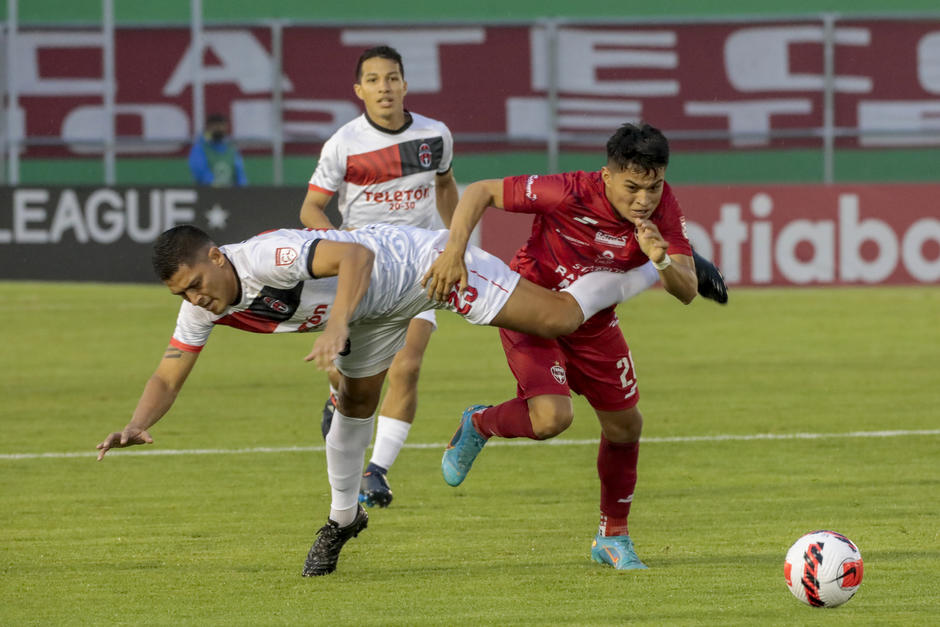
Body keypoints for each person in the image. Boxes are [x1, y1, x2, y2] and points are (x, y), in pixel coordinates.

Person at [94, 221, 656, 576]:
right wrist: (135, 422)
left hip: (420, 268)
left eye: (195, 283)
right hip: (369, 316)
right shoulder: (200, 307)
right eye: (182, 294)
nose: (196, 299)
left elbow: (354, 261)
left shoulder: (269, 257)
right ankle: (341, 521)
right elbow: (168, 375)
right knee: (355, 407)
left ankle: (646, 268)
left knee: (558, 314)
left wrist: (335, 326)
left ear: (216, 257)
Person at [423, 122, 726, 571]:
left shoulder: (663, 210)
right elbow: (480, 192)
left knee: (626, 428)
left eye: (654, 186)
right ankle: (481, 423)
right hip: (531, 307)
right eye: (633, 188)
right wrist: (454, 251)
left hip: (594, 322)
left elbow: (685, 289)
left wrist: (660, 257)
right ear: (607, 176)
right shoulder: (569, 191)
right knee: (551, 419)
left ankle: (612, 538)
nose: (644, 200)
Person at [298, 45, 459, 508]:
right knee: (360, 378)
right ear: (359, 91)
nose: (384, 88)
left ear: (405, 84)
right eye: (373, 80)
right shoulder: (343, 143)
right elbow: (311, 207)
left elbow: (447, 187)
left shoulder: (435, 135)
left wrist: (455, 243)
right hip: (365, 273)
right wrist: (341, 247)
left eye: (392, 78)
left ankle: (376, 470)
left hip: (421, 267)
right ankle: (338, 395)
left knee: (407, 366)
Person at [188, 113, 248, 187]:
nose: (219, 129)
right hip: (206, 193)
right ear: (208, 128)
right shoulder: (200, 148)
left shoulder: (231, 149)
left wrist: (243, 190)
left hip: (230, 194)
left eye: (222, 126)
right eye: (215, 127)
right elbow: (201, 173)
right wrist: (217, 188)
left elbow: (240, 174)